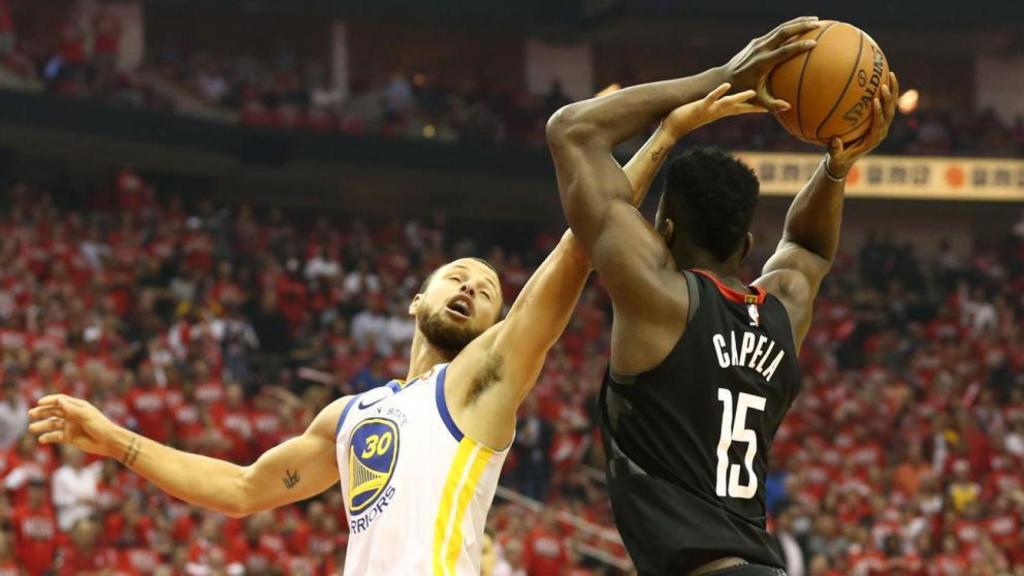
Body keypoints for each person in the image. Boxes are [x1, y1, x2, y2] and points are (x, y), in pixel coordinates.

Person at [25, 92, 729, 574]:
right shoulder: (351, 414)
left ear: (495, 326)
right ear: (416, 298)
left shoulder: (483, 380)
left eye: (487, 291)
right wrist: (115, 440)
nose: (471, 287)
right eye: (458, 275)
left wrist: (663, 137)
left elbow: (581, 247)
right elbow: (242, 488)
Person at [547, 16, 899, 576]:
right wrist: (838, 164)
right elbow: (807, 250)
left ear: (662, 235)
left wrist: (722, 76)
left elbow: (573, 129)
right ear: (748, 245)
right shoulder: (782, 314)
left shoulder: (657, 299)